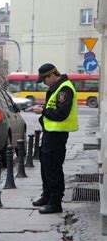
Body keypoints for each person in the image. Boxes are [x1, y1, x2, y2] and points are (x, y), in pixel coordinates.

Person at [31, 63, 78, 214]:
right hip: (50, 132)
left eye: (44, 80)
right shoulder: (56, 88)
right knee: (46, 166)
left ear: (51, 76)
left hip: (57, 135)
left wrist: (43, 110)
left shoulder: (65, 89)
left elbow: (61, 113)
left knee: (54, 168)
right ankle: (47, 195)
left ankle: (55, 202)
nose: (44, 83)